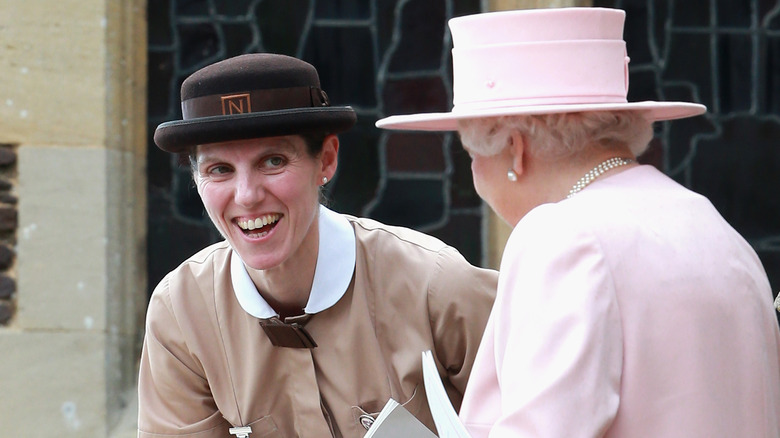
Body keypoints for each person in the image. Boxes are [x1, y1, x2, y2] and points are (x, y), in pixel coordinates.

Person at [376, 7, 780, 438]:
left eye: (472, 155)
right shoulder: (712, 225)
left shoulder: (562, 237)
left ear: (515, 149)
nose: (473, 175)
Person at [138, 53, 497, 438]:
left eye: (273, 161)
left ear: (325, 160)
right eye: (219, 170)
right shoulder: (180, 312)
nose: (247, 195)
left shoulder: (438, 285)